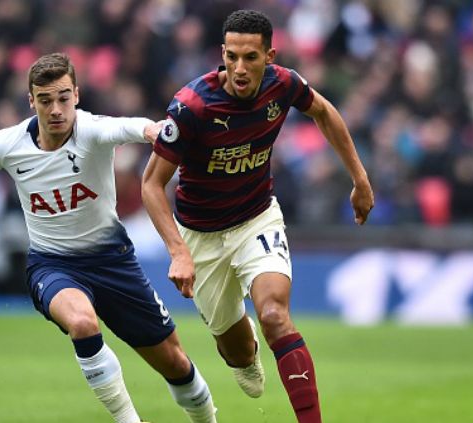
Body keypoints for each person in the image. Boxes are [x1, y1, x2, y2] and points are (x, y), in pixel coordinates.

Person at [0, 53, 217, 423]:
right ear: (31, 101)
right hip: (52, 265)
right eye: (45, 100)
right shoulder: (7, 144)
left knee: (174, 361)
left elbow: (131, 127)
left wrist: (155, 132)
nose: (56, 109)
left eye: (63, 98)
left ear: (76, 94)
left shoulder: (91, 130)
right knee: (83, 324)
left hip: (112, 260)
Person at [141, 10, 374, 423]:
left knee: (274, 316)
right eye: (232, 56)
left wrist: (359, 177)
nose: (240, 68)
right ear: (222, 54)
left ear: (270, 55)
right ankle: (244, 348)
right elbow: (150, 184)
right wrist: (178, 252)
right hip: (200, 236)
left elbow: (322, 110)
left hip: (256, 219)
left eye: (250, 57)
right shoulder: (193, 105)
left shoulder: (283, 84)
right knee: (236, 354)